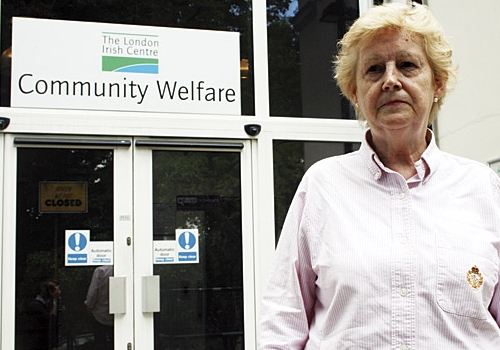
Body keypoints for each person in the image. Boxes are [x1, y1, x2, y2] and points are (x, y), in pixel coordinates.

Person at [258, 3, 500, 349]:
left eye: (407, 65)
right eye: (373, 69)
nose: (390, 80)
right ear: (354, 94)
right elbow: (283, 322)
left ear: (438, 83)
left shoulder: (484, 189)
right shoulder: (322, 187)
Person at [25, 279, 60, 350]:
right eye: (50, 288)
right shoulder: (35, 305)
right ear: (43, 290)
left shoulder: (48, 304)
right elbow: (50, 319)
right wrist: (54, 300)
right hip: (38, 343)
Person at [85, 265, 114, 350]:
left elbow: (93, 292)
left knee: (100, 343)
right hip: (120, 316)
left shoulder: (101, 271)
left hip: (99, 314)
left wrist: (89, 305)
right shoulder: (125, 268)